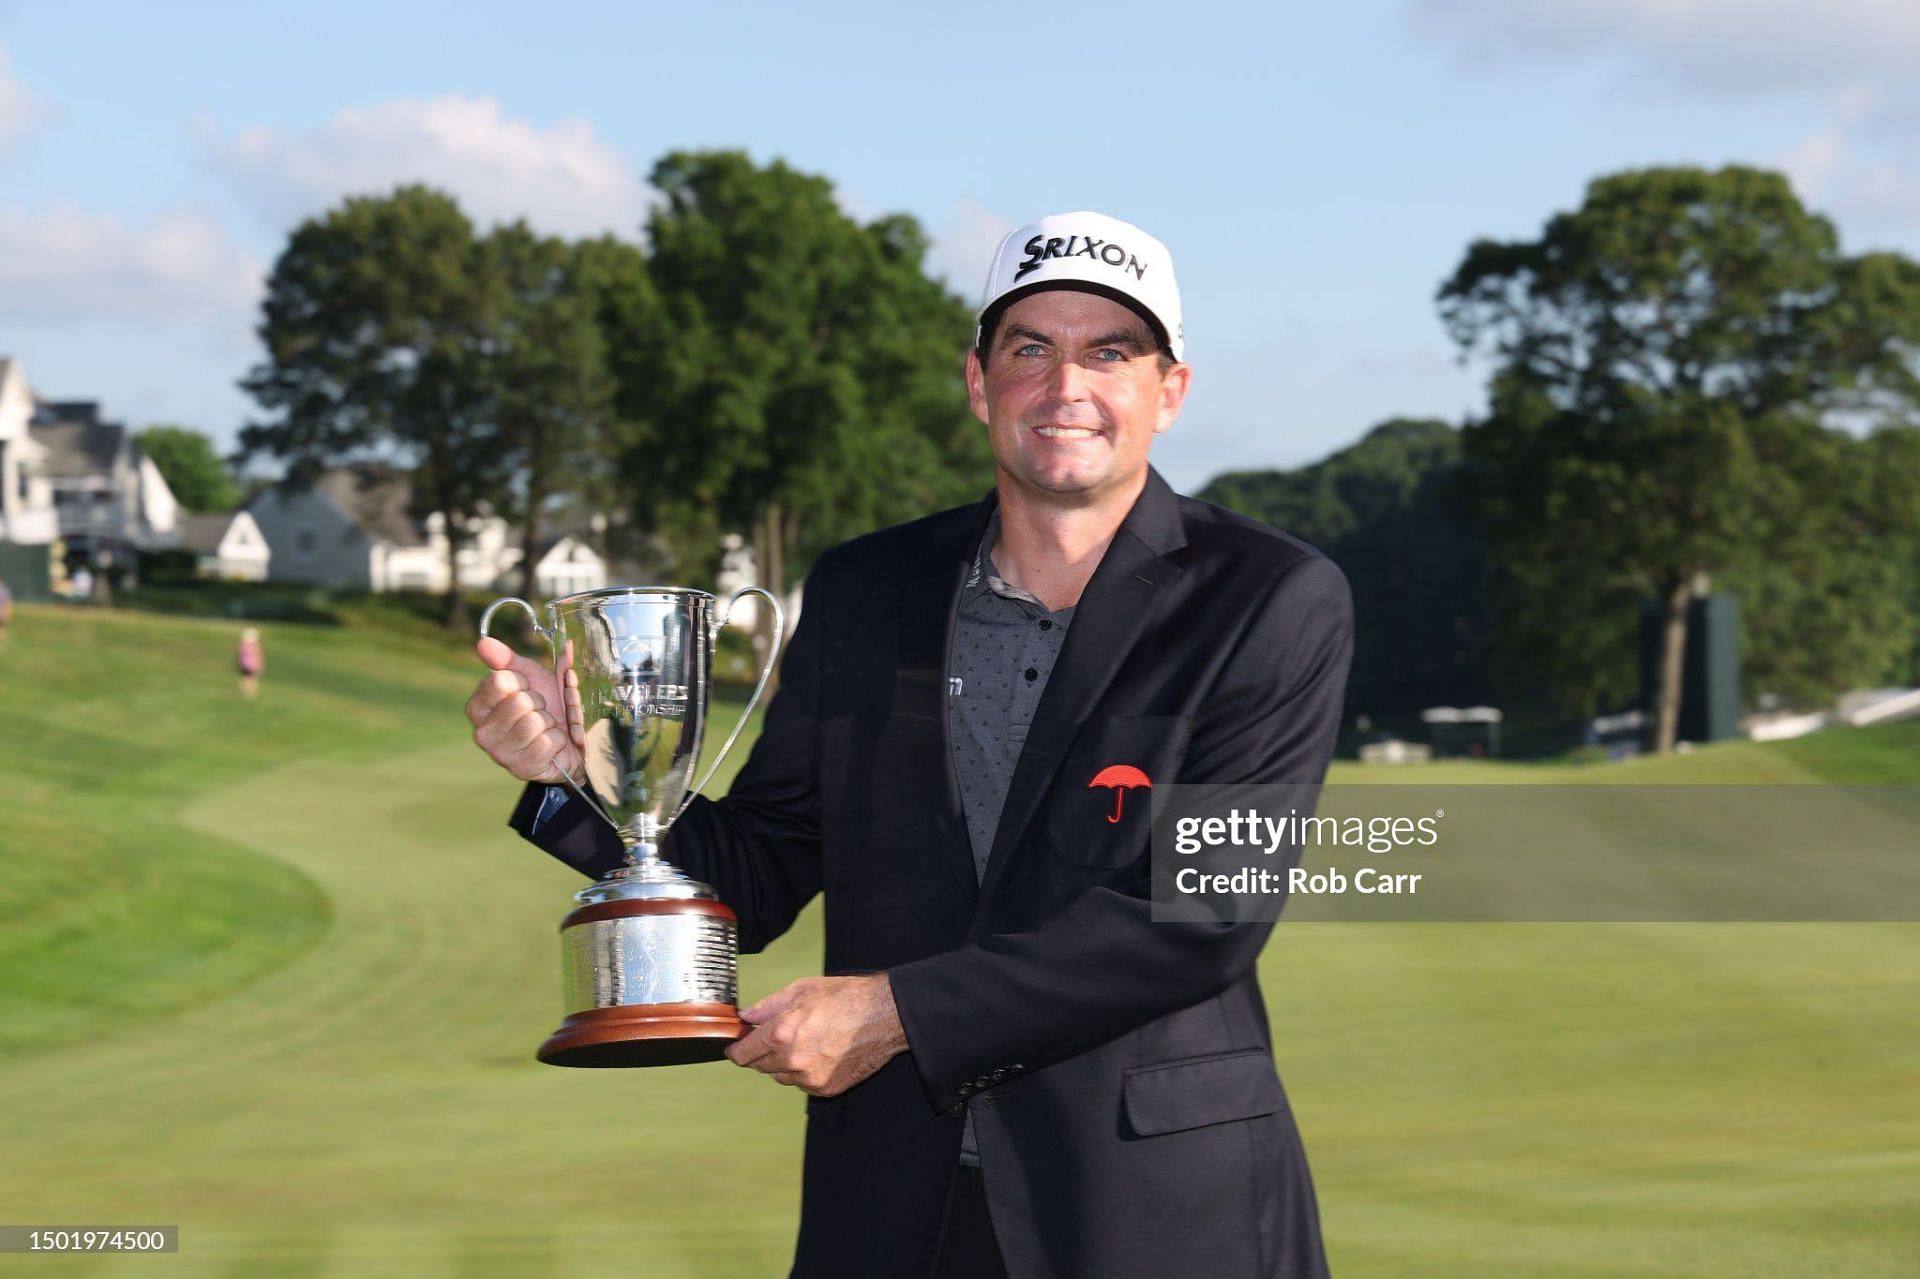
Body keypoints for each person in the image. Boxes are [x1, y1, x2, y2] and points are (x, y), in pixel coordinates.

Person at [467, 211, 1352, 1278]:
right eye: (1031, 348)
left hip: (1156, 1211)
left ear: (1170, 392)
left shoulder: (1268, 595)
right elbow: (765, 868)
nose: (1067, 383)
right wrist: (585, 775)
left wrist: (898, 1011)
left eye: (1110, 351)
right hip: (892, 1207)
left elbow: (1199, 917)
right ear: (979, 382)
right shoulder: (865, 588)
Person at [236, 627, 264, 700]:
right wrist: (261, 665)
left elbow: (239, 655)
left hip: (244, 664)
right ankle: (251, 693)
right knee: (253, 678)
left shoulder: (242, 645)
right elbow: (259, 655)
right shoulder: (255, 645)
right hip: (254, 664)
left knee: (245, 678)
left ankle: (244, 691)